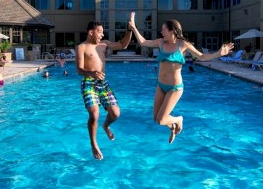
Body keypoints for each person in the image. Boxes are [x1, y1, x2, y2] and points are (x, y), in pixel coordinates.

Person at [128, 12, 233, 144]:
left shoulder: (182, 44)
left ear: (172, 31)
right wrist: (134, 27)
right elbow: (143, 42)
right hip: (160, 85)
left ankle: (178, 120)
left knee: (161, 120)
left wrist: (219, 53)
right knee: (156, 118)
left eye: (164, 30)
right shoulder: (161, 43)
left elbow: (201, 56)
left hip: (174, 88)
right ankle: (173, 127)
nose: (161, 32)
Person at [76, 19, 133, 160]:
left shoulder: (104, 44)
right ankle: (94, 143)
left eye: (103, 32)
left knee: (115, 113)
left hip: (103, 84)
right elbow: (79, 69)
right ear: (91, 32)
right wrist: (92, 73)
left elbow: (123, 45)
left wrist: (129, 30)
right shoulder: (81, 47)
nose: (102, 35)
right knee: (94, 115)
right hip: (88, 83)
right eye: (99, 32)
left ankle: (106, 126)